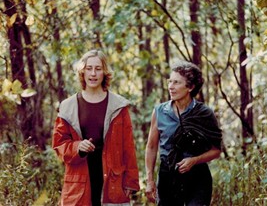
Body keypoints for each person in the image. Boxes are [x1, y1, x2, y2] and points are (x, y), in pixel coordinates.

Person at [52, 49, 140, 206]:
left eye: (98, 69)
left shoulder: (119, 106)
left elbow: (128, 146)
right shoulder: (68, 106)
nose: (93, 73)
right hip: (79, 180)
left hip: (112, 180)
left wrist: (130, 181)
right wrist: (78, 146)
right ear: (82, 72)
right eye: (89, 68)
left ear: (105, 72)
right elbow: (59, 144)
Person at [145, 60, 222, 206]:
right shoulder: (160, 111)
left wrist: (194, 160)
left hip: (197, 177)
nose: (171, 87)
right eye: (170, 81)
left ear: (190, 87)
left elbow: (216, 151)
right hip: (168, 175)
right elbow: (151, 147)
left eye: (176, 83)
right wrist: (150, 180)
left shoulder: (204, 114)